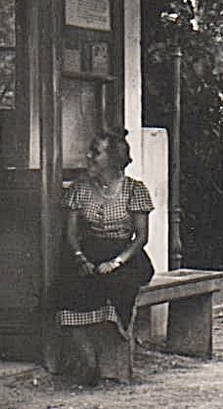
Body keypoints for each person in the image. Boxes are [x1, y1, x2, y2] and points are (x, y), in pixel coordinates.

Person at [56, 128, 154, 385]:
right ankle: (87, 358)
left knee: (117, 285)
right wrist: (80, 258)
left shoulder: (135, 190)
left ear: (112, 159)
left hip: (126, 256)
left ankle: (113, 362)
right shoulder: (80, 189)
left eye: (96, 153)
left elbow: (141, 238)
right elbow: (71, 234)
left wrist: (117, 262)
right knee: (68, 288)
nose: (89, 157)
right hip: (88, 252)